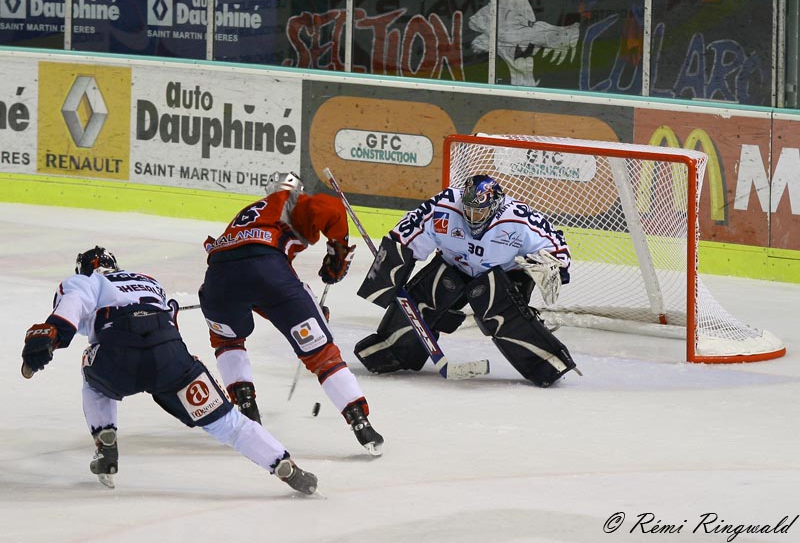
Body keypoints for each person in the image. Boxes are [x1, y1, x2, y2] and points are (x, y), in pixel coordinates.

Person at [21, 246, 318, 495]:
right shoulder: (147, 280)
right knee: (228, 422)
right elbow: (168, 317)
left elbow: (75, 304)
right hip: (170, 355)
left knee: (93, 375)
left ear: (84, 269)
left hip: (117, 356)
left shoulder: (85, 281)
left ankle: (105, 440)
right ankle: (284, 465)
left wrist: (53, 333)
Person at [199, 171, 384, 456]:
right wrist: (338, 249)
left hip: (217, 281)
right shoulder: (287, 201)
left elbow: (245, 272)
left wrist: (302, 306)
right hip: (269, 272)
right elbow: (331, 209)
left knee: (228, 342)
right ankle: (360, 421)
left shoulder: (247, 214)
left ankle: (246, 408)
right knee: (321, 353)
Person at [355, 174, 578, 388]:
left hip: (505, 275)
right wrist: (391, 269)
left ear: (496, 206)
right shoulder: (444, 205)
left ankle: (547, 362)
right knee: (426, 299)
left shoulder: (518, 218)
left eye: (479, 212)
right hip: (455, 265)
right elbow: (406, 233)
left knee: (500, 314)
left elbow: (556, 246)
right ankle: (392, 350)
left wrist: (551, 266)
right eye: (468, 210)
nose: (472, 217)